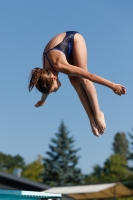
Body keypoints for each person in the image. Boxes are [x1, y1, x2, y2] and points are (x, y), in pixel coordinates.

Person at [28, 31, 126, 137]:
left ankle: (98, 113)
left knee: (83, 79)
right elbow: (46, 86)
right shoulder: (45, 75)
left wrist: (113, 86)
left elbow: (90, 76)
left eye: (54, 90)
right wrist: (42, 101)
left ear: (54, 78)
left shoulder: (60, 66)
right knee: (74, 82)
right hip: (60, 50)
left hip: (74, 39)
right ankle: (91, 119)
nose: (55, 91)